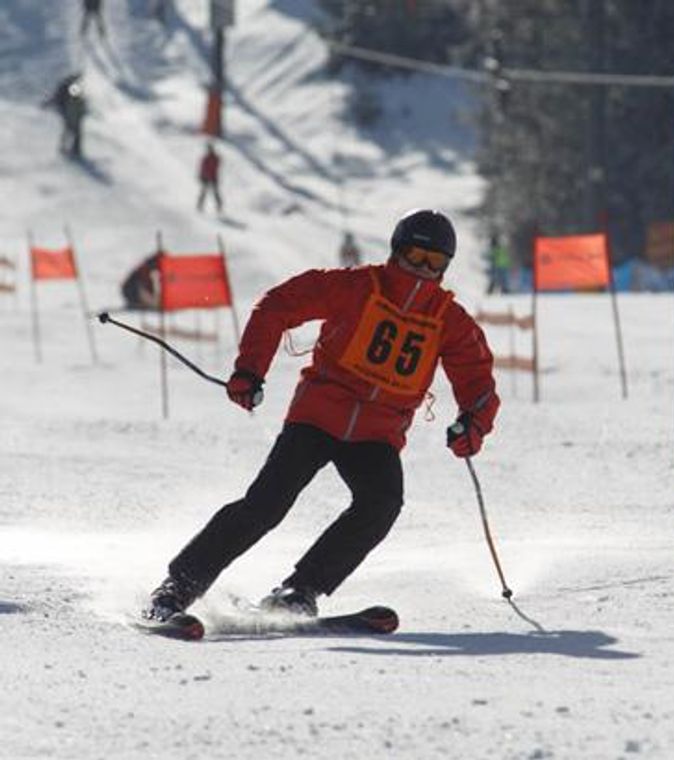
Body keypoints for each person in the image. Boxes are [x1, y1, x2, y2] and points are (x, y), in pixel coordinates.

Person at [144, 209, 500, 621]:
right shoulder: (355, 286)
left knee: (381, 503)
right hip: (318, 416)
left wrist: (473, 425)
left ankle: (300, 590)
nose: (422, 269)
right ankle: (178, 587)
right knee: (266, 506)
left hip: (377, 434)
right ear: (397, 251)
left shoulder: (447, 319)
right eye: (416, 256)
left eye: (435, 262)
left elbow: (478, 382)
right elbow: (278, 305)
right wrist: (249, 370)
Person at [42, 74, 87, 158]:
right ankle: (72, 150)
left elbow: (80, 104)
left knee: (72, 132)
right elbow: (77, 102)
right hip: (70, 115)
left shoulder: (69, 88)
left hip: (73, 116)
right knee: (72, 132)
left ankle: (73, 150)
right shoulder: (70, 89)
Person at [196, 142, 222, 213]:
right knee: (205, 192)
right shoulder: (207, 158)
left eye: (210, 149)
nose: (209, 151)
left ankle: (219, 206)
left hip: (212, 177)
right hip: (207, 177)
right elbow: (202, 168)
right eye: (209, 149)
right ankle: (200, 205)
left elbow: (215, 166)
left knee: (214, 192)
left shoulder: (214, 158)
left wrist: (203, 175)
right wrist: (201, 175)